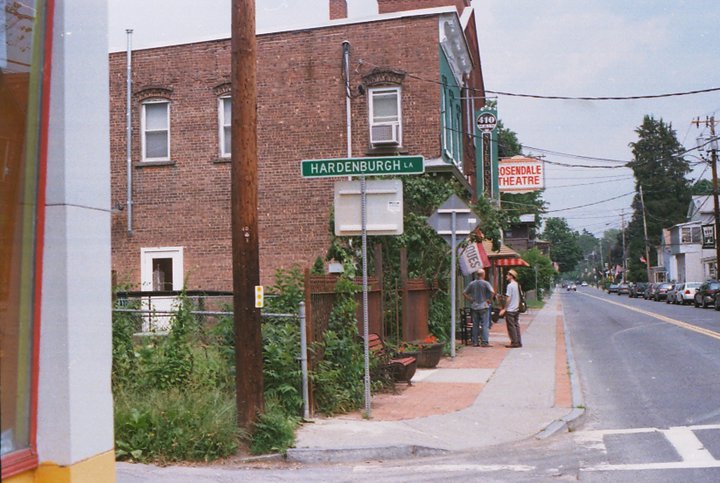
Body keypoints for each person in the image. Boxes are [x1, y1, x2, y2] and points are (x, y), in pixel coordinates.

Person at [463, 269, 495, 347]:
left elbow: (464, 293)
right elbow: (492, 292)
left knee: (475, 324)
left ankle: (475, 342)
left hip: (474, 306)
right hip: (484, 306)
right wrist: (489, 300)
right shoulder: (486, 283)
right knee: (485, 324)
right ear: (483, 274)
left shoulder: (472, 283)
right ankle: (484, 342)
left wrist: (470, 299)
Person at [499, 269, 522, 348]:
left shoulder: (510, 286)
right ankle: (519, 341)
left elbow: (508, 298)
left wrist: (505, 308)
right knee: (516, 325)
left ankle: (514, 342)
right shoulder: (517, 285)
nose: (506, 276)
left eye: (508, 275)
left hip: (510, 309)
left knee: (511, 327)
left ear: (511, 276)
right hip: (516, 308)